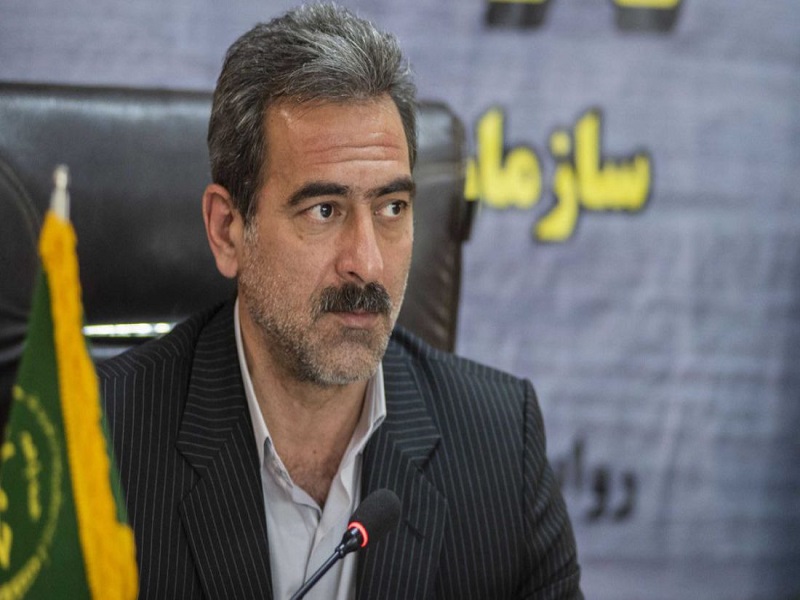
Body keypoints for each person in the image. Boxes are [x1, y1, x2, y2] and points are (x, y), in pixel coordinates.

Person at [98, 3, 582, 598]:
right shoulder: (98, 442)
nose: (367, 263)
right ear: (228, 230)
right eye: (324, 211)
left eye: (392, 208)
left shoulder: (501, 446)